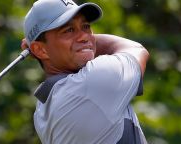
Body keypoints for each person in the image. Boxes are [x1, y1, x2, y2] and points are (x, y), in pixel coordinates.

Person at [21, 0, 149, 143]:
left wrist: (42, 48)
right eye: (68, 30)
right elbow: (136, 49)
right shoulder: (93, 82)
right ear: (40, 50)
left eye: (86, 26)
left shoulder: (42, 109)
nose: (84, 36)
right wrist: (86, 44)